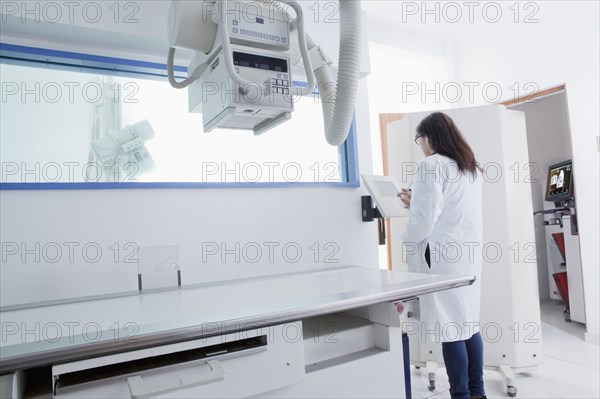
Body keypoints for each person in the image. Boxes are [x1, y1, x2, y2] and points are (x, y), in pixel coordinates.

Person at [399, 112, 486, 399]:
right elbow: (449, 208)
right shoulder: (468, 168)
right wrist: (418, 202)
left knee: (451, 328)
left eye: (418, 139)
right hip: (467, 255)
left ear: (428, 137)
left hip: (443, 258)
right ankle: (478, 393)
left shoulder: (431, 166)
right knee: (469, 324)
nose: (419, 145)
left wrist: (407, 238)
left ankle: (460, 395)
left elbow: (424, 222)